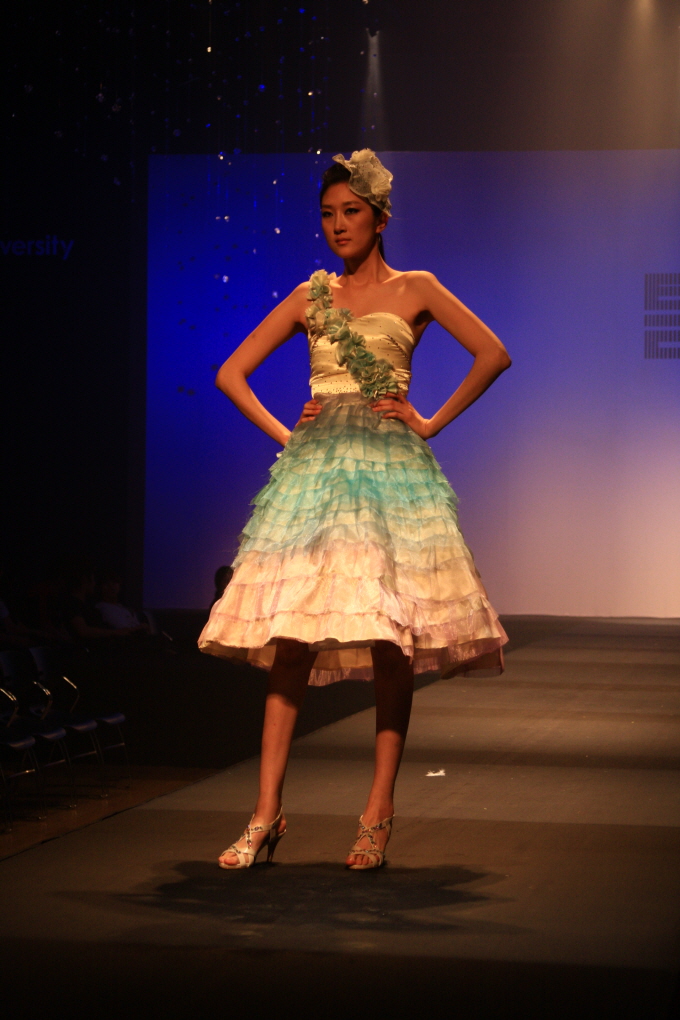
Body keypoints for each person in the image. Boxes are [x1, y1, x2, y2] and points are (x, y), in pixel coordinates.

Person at [199, 149, 511, 870]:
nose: (338, 225)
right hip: (315, 479)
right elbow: (231, 373)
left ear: (381, 217)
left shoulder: (416, 287)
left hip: (390, 475)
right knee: (291, 638)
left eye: (352, 212)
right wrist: (288, 434)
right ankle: (265, 815)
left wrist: (429, 421)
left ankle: (378, 811)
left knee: (388, 639)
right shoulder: (312, 297)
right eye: (328, 215)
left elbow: (492, 353)